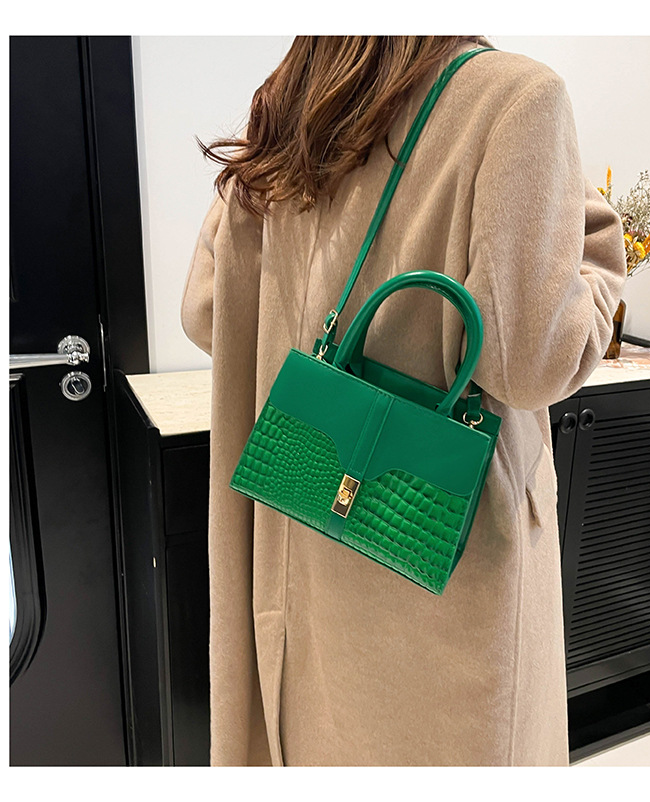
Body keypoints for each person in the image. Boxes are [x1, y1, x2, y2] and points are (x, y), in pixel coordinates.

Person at [180, 35, 627, 767]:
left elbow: (207, 313)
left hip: (299, 535)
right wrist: (598, 259)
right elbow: (533, 360)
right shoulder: (515, 99)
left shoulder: (292, 104)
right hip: (439, 575)